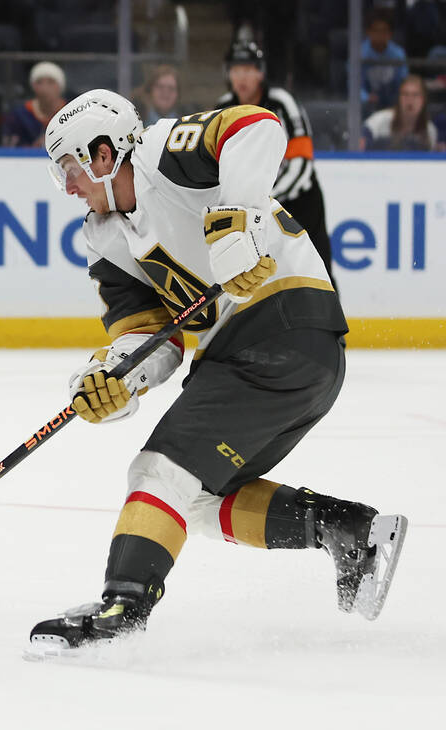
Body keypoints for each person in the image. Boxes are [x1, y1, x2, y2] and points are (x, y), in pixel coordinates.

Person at [28, 89, 407, 651]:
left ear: (102, 154)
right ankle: (348, 530)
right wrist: (116, 377)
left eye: (69, 168)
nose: (68, 186)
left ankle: (122, 608)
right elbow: (150, 338)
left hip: (280, 326)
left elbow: (256, 125)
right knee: (198, 498)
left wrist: (239, 221)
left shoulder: (160, 154)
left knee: (159, 471)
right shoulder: (103, 237)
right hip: (274, 355)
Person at [217, 41, 334, 283]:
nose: (242, 77)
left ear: (260, 73)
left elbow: (301, 162)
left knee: (319, 274)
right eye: (236, 70)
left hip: (299, 203)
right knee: (258, 278)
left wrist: (267, 197)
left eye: (248, 69)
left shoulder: (282, 103)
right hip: (253, 209)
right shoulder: (223, 109)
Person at [363, 74, 437, 151]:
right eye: (405, 94)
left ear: (423, 99)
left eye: (415, 95)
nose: (410, 100)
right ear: (399, 98)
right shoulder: (380, 119)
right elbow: (361, 141)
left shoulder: (429, 129)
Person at [2, 61, 67, 148]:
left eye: (51, 82)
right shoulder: (19, 115)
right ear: (33, 86)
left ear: (60, 86)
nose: (45, 88)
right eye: (39, 82)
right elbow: (9, 148)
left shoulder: (73, 112)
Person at [361, 9, 408, 113]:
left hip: (393, 104)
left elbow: (403, 83)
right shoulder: (360, 54)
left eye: (384, 31)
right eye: (376, 30)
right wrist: (366, 97)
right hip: (367, 105)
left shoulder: (398, 54)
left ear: (390, 34)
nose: (380, 35)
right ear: (368, 32)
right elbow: (354, 87)